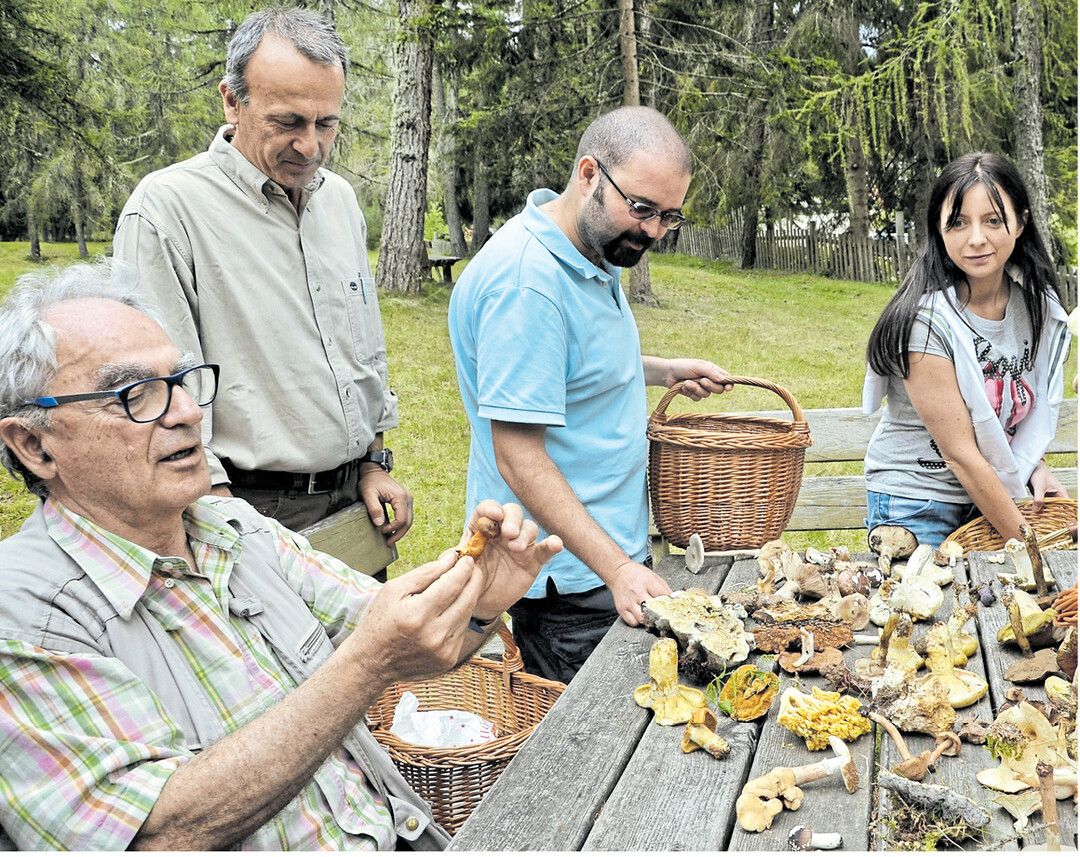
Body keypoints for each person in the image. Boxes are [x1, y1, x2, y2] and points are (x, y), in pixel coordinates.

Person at [0, 261, 562, 851]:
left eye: (183, 381)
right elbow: (156, 835)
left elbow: (406, 640)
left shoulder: (233, 528)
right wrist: (366, 665)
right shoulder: (25, 618)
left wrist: (481, 599)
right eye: (134, 394)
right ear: (34, 445)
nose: (188, 413)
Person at [447, 106, 732, 684]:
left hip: (607, 560)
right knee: (590, 759)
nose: (652, 231)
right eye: (643, 209)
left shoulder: (590, 248)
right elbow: (518, 456)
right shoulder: (528, 284)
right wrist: (619, 569)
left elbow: (571, 370)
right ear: (588, 174)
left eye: (669, 216)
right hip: (571, 581)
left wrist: (664, 369)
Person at [112, 7, 411, 555]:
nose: (311, 146)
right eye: (288, 122)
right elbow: (159, 387)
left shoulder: (339, 201)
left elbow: (363, 348)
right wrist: (221, 511)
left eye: (327, 123)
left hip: (353, 501)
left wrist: (374, 461)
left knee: (373, 644)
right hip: (244, 506)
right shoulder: (166, 209)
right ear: (231, 100)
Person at [863, 152, 1071, 548]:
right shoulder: (926, 323)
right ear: (939, 230)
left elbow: (1007, 406)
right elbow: (961, 455)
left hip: (990, 493)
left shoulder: (1036, 307)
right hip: (916, 504)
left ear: (1021, 223)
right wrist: (1036, 547)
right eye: (958, 223)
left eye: (993, 220)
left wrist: (1033, 467)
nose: (976, 238)